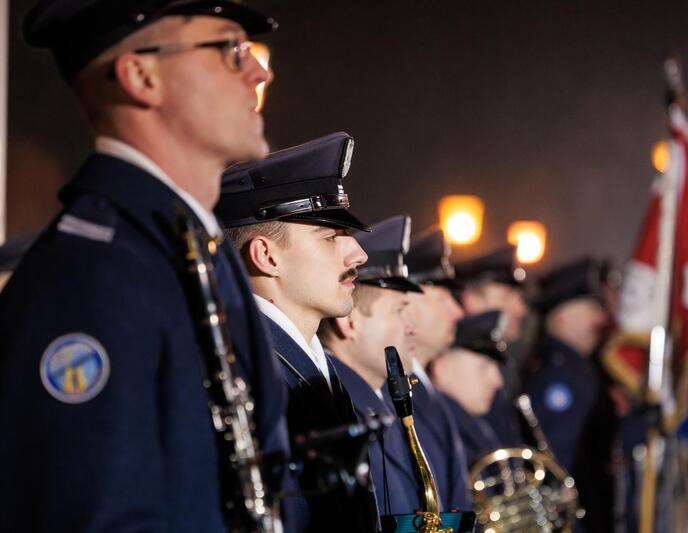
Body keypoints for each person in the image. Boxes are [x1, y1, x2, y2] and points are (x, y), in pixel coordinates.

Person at [0, 2, 287, 531]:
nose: (260, 73)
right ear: (141, 76)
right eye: (230, 51)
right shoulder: (87, 276)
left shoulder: (186, 246)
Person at [216, 132, 379, 532]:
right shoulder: (246, 373)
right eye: (330, 237)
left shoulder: (300, 362)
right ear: (266, 256)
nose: (359, 254)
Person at [319, 214, 424, 520]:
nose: (412, 328)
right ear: (349, 321)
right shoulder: (342, 408)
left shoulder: (379, 400)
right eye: (399, 311)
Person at [524, 257, 618, 533]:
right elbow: (557, 462)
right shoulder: (562, 377)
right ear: (562, 317)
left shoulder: (579, 369)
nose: (600, 318)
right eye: (591, 309)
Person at [398, 226, 473, 510]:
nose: (458, 311)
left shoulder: (422, 385)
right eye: (444, 298)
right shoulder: (395, 386)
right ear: (409, 302)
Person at [455, 244, 530, 447]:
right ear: (471, 301)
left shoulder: (506, 365)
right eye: (506, 297)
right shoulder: (456, 367)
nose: (521, 309)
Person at [429, 311, 507, 465]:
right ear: (442, 369)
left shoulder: (477, 423)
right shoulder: (439, 429)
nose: (497, 381)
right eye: (483, 367)